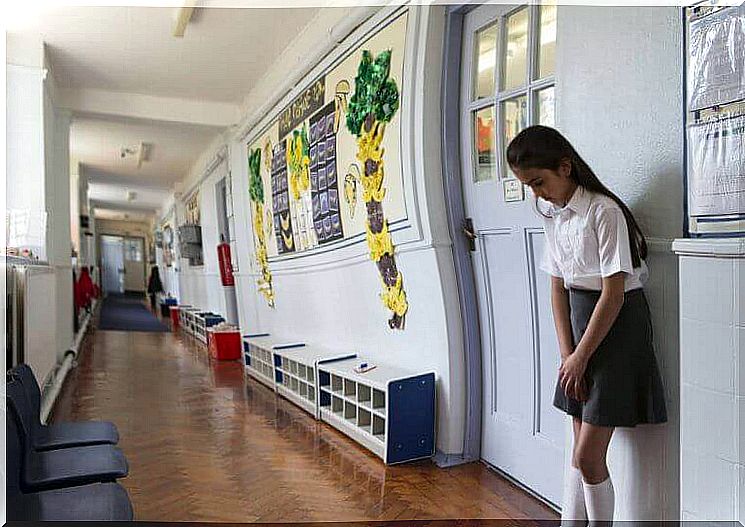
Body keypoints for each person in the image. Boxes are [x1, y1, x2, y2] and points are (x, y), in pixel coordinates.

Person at [506, 126, 667, 525]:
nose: (536, 193)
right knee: (578, 449)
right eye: (529, 186)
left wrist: (581, 356)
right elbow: (557, 289)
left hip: (615, 330)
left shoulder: (603, 211)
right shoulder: (554, 216)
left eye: (539, 182)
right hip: (579, 335)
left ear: (565, 166)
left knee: (587, 456)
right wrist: (568, 356)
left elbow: (613, 295)